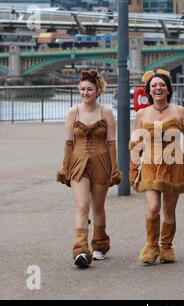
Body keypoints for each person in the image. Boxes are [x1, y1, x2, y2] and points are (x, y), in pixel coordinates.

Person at [129, 69, 184, 265]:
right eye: (154, 85)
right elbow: (136, 144)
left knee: (169, 211)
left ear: (168, 89)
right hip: (150, 166)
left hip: (174, 167)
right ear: (148, 90)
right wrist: (133, 170)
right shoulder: (141, 114)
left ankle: (166, 246)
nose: (158, 88)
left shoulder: (179, 111)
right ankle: (151, 246)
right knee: (153, 207)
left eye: (162, 85)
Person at [56, 70, 122, 269]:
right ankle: (81, 249)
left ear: (98, 91)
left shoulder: (106, 112)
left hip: (101, 163)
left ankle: (100, 243)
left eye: (89, 90)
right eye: (82, 89)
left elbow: (112, 144)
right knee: (82, 206)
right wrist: (65, 167)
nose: (85, 93)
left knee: (98, 206)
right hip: (78, 164)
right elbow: (69, 143)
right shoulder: (73, 112)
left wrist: (114, 169)